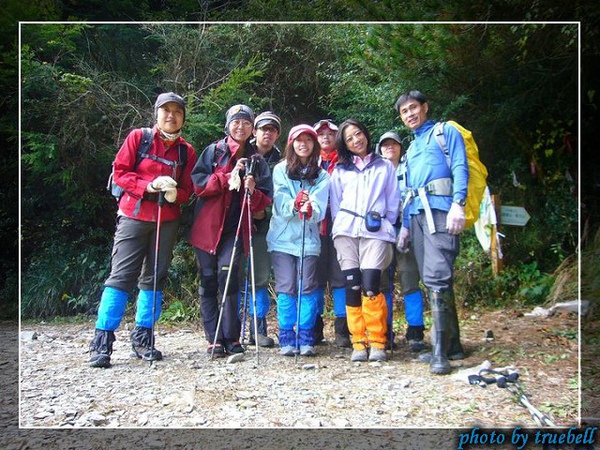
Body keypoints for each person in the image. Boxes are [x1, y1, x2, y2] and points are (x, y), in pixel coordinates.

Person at [88, 92, 197, 368]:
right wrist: (148, 186)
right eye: (166, 110)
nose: (171, 116)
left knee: (154, 279)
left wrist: (176, 195)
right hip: (134, 216)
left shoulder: (187, 151)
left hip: (166, 220)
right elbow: (120, 172)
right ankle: (102, 342)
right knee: (121, 277)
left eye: (177, 111)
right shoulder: (139, 138)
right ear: (157, 113)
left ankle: (143, 338)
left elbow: (188, 189)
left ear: (183, 117)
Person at [189, 104, 272, 358]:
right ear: (228, 125)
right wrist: (227, 178)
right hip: (207, 229)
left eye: (246, 123)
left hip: (235, 231)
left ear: (252, 128)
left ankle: (231, 337)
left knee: (229, 278)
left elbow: (264, 203)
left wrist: (252, 189)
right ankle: (213, 339)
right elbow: (198, 186)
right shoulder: (214, 152)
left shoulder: (257, 161)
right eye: (236, 122)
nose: (241, 126)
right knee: (208, 281)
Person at [394, 90, 468, 375]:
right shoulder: (411, 148)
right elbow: (406, 191)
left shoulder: (444, 131)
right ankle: (454, 345)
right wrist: (403, 227)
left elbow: (460, 166)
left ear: (425, 107)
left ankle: (440, 353)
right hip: (415, 216)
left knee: (437, 274)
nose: (410, 114)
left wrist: (458, 204)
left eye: (413, 108)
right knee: (430, 277)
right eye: (404, 112)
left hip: (440, 210)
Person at [329, 119, 401, 362]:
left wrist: (386, 222)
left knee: (371, 284)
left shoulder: (384, 166)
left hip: (375, 230)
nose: (356, 140)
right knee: (352, 286)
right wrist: (342, 224)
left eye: (358, 134)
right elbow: (336, 205)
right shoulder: (340, 170)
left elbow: (393, 201)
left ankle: (378, 341)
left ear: (366, 134)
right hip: (346, 231)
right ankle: (358, 342)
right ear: (345, 144)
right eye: (349, 138)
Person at [266, 124, 330, 357]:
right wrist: (295, 204)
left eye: (308, 140)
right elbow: (281, 201)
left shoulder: (322, 175)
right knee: (286, 288)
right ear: (291, 144)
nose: (303, 144)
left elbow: (321, 207)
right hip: (283, 239)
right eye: (298, 140)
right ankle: (286, 335)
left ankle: (305, 335)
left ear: (314, 145)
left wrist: (311, 208)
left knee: (307, 288)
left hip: (309, 240)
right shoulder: (281, 169)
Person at [376, 131, 426, 353]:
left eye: (393, 144)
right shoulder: (375, 172)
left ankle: (415, 331)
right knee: (383, 284)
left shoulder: (410, 169)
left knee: (410, 281)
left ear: (400, 148)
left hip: (407, 229)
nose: (390, 148)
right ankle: (385, 331)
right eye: (385, 145)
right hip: (382, 233)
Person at [242, 111, 282, 347]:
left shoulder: (281, 161)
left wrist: (263, 213)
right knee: (235, 274)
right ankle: (234, 328)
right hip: (235, 222)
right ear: (254, 131)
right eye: (263, 128)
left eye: (272, 129)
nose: (267, 133)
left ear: (277, 134)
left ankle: (258, 329)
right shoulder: (240, 153)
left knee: (259, 276)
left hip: (264, 224)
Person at [312, 119, 351, 348]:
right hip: (315, 228)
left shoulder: (346, 161)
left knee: (339, 280)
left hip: (340, 228)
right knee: (315, 281)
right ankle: (315, 329)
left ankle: (342, 330)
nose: (325, 137)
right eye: (321, 134)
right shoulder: (310, 162)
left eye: (330, 134)